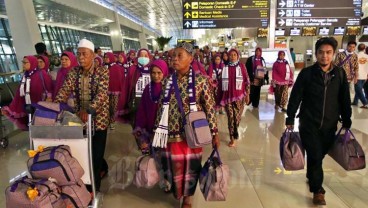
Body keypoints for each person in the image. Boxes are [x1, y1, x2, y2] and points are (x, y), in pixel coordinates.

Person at [286, 37, 352, 205]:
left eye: (328, 52)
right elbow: (296, 96)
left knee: (319, 155)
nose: (325, 56)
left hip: (330, 124)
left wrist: (347, 119)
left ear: (334, 54)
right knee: (315, 154)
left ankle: (312, 174)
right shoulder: (307, 73)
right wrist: (290, 116)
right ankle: (318, 190)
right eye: (321, 52)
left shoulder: (340, 74)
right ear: (316, 54)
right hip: (309, 123)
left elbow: (344, 99)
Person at [153, 42, 219, 208]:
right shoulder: (167, 80)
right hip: (171, 135)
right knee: (174, 166)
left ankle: (188, 198)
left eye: (179, 56)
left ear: (190, 58)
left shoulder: (201, 81)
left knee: (191, 167)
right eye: (173, 56)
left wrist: (215, 132)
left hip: (193, 136)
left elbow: (210, 108)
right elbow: (161, 106)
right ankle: (178, 191)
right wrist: (157, 131)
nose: (175, 59)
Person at [54, 39, 109, 192]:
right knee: (83, 153)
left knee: (95, 155)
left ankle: (94, 190)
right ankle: (92, 177)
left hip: (99, 120)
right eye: (78, 54)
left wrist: (89, 109)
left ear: (92, 55)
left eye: (84, 54)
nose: (81, 57)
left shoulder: (103, 71)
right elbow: (64, 90)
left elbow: (102, 93)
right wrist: (54, 107)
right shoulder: (74, 72)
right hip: (80, 121)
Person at [133, 59, 168, 154]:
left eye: (159, 73)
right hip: (149, 131)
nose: (156, 76)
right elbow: (142, 111)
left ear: (164, 72)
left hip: (166, 133)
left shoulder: (169, 88)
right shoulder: (147, 89)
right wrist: (141, 136)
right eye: (153, 73)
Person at [219, 49, 250, 147]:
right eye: (231, 55)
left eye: (234, 55)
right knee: (230, 118)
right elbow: (220, 84)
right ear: (228, 56)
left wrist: (247, 95)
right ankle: (232, 138)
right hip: (228, 97)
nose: (232, 57)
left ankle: (235, 129)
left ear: (237, 56)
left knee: (237, 118)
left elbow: (246, 81)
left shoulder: (242, 67)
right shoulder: (225, 68)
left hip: (239, 97)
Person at [126, 48, 152, 125]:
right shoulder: (133, 69)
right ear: (137, 57)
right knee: (136, 122)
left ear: (149, 57)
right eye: (141, 55)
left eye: (145, 56)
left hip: (149, 99)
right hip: (136, 99)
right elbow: (128, 86)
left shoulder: (153, 69)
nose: (143, 57)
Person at [104, 52, 124, 129]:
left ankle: (112, 122)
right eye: (105, 57)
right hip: (105, 91)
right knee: (106, 107)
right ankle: (107, 121)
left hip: (115, 91)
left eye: (107, 57)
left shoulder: (117, 67)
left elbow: (119, 80)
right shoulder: (104, 67)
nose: (106, 59)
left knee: (114, 107)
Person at [352, 43, 368, 108]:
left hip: (357, 75)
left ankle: (365, 103)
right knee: (359, 89)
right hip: (365, 75)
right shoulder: (367, 56)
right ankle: (355, 101)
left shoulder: (355, 56)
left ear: (357, 48)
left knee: (358, 89)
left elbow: (353, 67)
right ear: (364, 49)